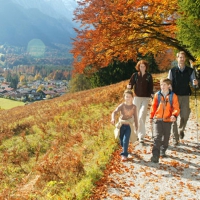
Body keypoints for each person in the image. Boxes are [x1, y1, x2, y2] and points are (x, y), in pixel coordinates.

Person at [168, 51, 198, 145]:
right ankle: (175, 138)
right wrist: (169, 88)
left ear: (184, 59)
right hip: (175, 96)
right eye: (180, 57)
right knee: (174, 117)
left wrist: (195, 84)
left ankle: (181, 130)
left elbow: (194, 85)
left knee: (185, 115)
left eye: (183, 57)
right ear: (177, 59)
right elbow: (169, 82)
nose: (181, 59)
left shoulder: (190, 70)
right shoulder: (172, 71)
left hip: (185, 96)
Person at [150, 78, 180, 163]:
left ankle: (163, 150)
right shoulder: (157, 95)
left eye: (164, 85)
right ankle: (155, 155)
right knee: (157, 137)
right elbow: (153, 107)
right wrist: (151, 117)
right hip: (157, 119)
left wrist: (174, 115)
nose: (162, 86)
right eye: (161, 85)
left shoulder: (173, 96)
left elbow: (176, 107)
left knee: (166, 138)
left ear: (169, 86)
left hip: (167, 120)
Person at [127, 60, 154, 145]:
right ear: (138, 67)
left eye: (144, 66)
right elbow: (131, 84)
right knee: (136, 116)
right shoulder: (135, 75)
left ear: (146, 67)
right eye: (141, 66)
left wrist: (152, 94)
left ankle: (141, 136)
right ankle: (136, 133)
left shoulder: (149, 76)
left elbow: (150, 87)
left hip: (145, 98)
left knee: (142, 115)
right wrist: (129, 87)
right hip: (136, 98)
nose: (142, 68)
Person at [111, 89, 138, 161]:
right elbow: (114, 112)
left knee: (126, 140)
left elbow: (135, 118)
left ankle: (124, 154)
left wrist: (136, 127)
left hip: (128, 126)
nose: (128, 98)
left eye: (129, 97)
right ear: (124, 97)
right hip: (121, 126)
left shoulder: (134, 107)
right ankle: (124, 148)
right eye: (126, 97)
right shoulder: (122, 105)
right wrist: (113, 119)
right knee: (122, 141)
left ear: (132, 98)